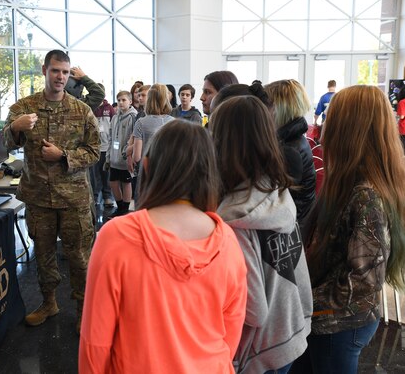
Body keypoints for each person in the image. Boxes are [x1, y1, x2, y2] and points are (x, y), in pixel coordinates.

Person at [79, 120, 248, 373]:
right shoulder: (227, 241)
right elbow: (230, 334)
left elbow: (96, 341)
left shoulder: (116, 237)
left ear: (146, 167)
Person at [304, 85, 405, 373]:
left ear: (349, 129)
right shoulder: (354, 184)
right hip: (331, 322)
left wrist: (301, 302)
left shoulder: (365, 195)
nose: (324, 127)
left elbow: (361, 283)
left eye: (332, 119)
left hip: (338, 325)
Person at [211, 95, 312, 374]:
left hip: (258, 351)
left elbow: (253, 311)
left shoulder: (235, 220)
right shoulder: (276, 191)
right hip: (291, 330)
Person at [3, 49, 100, 332]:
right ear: (44, 70)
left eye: (65, 72)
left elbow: (94, 151)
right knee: (43, 255)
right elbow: (2, 147)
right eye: (55, 70)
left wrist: (62, 156)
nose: (60, 77)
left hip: (74, 199)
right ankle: (48, 303)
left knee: (79, 258)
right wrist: (15, 129)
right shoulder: (23, 107)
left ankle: (84, 309)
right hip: (38, 197)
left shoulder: (81, 110)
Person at [265, 79, 316, 226]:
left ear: (278, 107)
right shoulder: (291, 139)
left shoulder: (289, 149)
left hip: (293, 227)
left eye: (266, 104)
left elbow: (277, 202)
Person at [106, 91, 137, 217]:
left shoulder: (133, 117)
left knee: (126, 183)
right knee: (113, 182)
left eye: (124, 100)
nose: (120, 102)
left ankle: (125, 209)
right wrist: (108, 157)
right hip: (114, 158)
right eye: (118, 100)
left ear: (130, 101)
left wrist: (127, 154)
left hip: (125, 158)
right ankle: (119, 207)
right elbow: (110, 138)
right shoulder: (114, 117)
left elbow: (134, 138)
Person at [89, 95, 115, 207]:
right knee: (94, 176)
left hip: (106, 147)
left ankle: (107, 196)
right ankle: (94, 197)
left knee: (106, 174)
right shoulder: (90, 108)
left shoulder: (109, 108)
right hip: (94, 148)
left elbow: (114, 125)